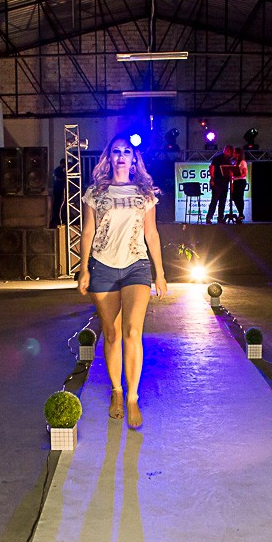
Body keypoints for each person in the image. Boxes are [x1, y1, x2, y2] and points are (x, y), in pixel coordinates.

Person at [77, 134, 167, 429]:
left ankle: (132, 397)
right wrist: (84, 269)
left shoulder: (145, 193)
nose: (121, 156)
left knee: (132, 331)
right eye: (116, 151)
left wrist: (160, 273)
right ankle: (117, 391)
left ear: (134, 159)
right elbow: (88, 232)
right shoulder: (95, 193)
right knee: (112, 334)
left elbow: (151, 233)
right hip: (102, 267)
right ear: (109, 157)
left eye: (127, 152)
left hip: (136, 266)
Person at [205, 145, 234, 224]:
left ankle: (220, 218)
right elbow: (212, 167)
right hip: (217, 182)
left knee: (222, 201)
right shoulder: (218, 158)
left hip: (225, 182)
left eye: (231, 152)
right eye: (229, 151)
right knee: (214, 200)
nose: (230, 153)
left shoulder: (229, 160)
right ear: (226, 150)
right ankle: (209, 217)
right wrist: (212, 178)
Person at [229, 147, 248, 223]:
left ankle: (241, 214)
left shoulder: (242, 162)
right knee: (234, 197)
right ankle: (240, 213)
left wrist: (237, 176)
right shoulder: (235, 162)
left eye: (234, 152)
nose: (233, 154)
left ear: (238, 154)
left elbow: (244, 173)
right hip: (236, 181)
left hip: (241, 181)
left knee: (239, 197)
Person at [50, 158, 67, 228]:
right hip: (57, 189)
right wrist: (64, 178)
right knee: (57, 204)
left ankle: (62, 217)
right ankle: (56, 218)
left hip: (61, 189)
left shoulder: (62, 170)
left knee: (63, 203)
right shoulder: (57, 170)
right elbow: (57, 179)